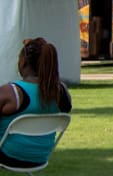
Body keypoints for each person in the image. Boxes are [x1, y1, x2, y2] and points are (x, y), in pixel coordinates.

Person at [0, 38, 72, 167]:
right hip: (40, 157)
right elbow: (66, 109)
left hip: (8, 155)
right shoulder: (60, 91)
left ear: (23, 62)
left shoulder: (11, 92)